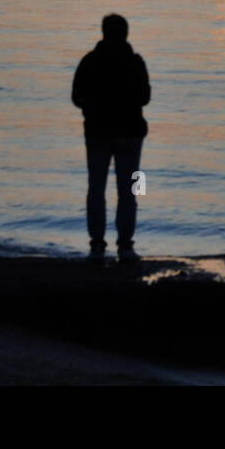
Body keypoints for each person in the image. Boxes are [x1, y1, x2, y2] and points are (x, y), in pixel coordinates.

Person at [72, 14, 151, 264]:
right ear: (126, 34)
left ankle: (97, 247)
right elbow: (145, 97)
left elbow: (76, 97)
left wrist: (94, 108)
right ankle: (125, 247)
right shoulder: (135, 62)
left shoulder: (90, 61)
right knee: (128, 192)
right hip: (129, 134)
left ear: (103, 33)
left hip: (97, 133)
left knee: (96, 189)